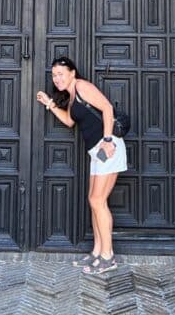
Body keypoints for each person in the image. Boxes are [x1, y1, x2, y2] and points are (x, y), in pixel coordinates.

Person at [36, 55, 127, 275]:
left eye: (60, 74)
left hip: (108, 147)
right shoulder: (71, 95)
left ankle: (108, 257)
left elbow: (107, 108)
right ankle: (97, 252)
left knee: (97, 200)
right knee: (94, 201)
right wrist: (50, 104)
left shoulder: (82, 86)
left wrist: (107, 140)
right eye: (54, 75)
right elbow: (69, 121)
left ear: (72, 73)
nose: (57, 79)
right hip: (96, 152)